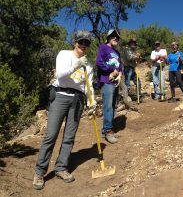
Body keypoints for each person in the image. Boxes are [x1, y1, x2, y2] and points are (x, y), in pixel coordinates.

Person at [33, 30, 96, 190]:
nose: (83, 45)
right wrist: (76, 65)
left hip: (78, 99)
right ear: (74, 42)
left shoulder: (88, 64)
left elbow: (88, 85)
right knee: (51, 135)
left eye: (87, 43)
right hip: (61, 95)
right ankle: (40, 171)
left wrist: (92, 101)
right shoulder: (64, 54)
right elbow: (61, 75)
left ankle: (61, 167)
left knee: (69, 137)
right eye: (81, 41)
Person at [96, 29, 122, 144]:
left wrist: (119, 73)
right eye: (113, 36)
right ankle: (108, 131)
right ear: (108, 37)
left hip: (115, 82)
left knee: (113, 105)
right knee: (108, 107)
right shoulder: (103, 47)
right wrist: (111, 70)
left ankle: (105, 130)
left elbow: (120, 66)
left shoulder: (117, 53)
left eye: (117, 37)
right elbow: (99, 62)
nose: (115, 38)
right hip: (106, 81)